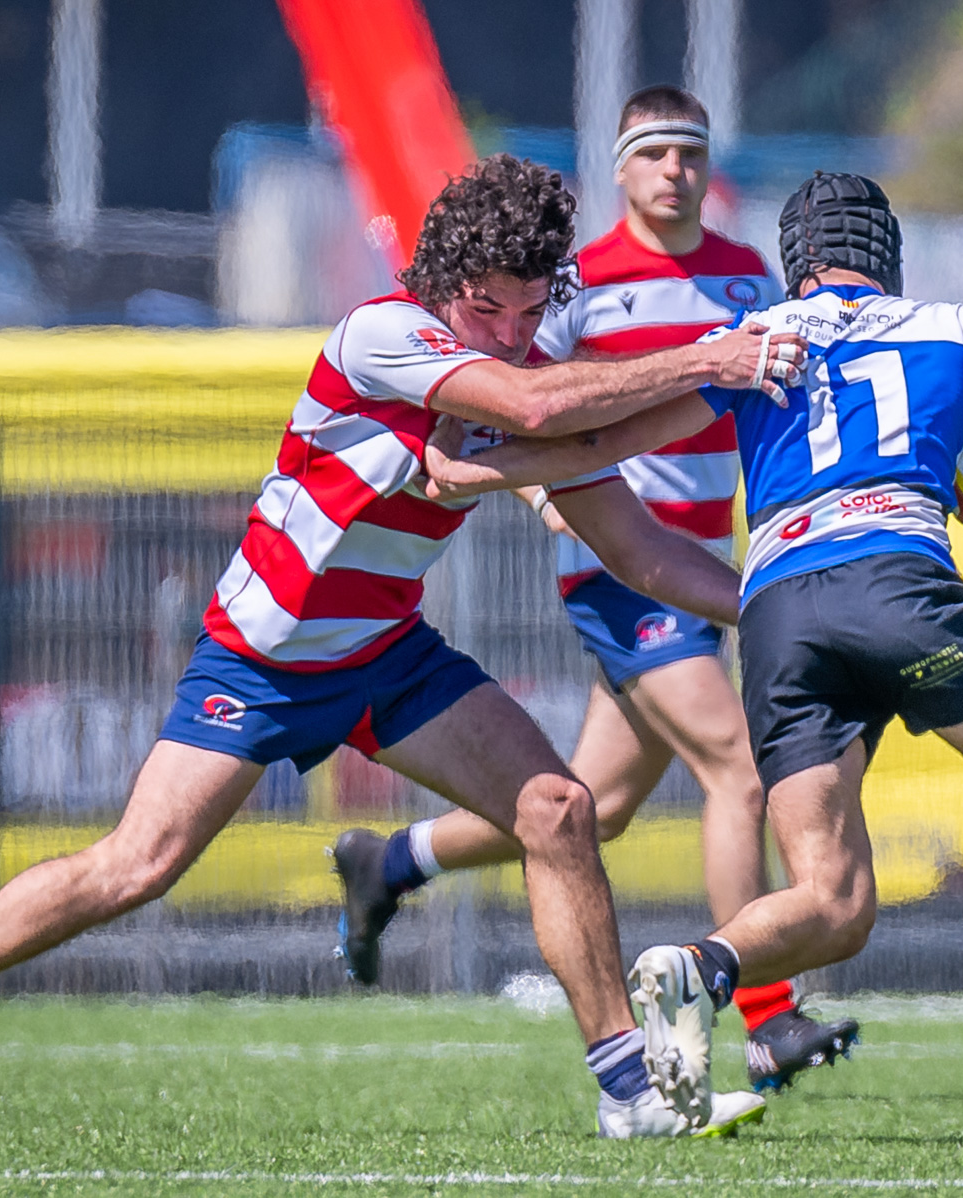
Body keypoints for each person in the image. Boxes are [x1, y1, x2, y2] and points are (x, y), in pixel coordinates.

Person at [0, 154, 809, 1139]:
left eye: (529, 311)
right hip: (262, 662)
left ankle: (627, 1090)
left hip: (385, 651)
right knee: (133, 866)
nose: (507, 333)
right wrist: (717, 360)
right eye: (487, 308)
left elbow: (642, 552)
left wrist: (774, 602)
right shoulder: (384, 333)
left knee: (559, 809)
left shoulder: (523, 371)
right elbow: (541, 414)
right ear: (444, 281)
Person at [419, 171, 963, 1127]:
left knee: (834, 898)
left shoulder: (755, 345)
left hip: (776, 615)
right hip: (897, 584)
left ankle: (697, 966)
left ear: (793, 258)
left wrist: (475, 462)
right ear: (888, 251)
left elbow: (609, 440)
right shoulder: (955, 327)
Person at [335, 85, 857, 1095]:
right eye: (654, 153)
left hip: (702, 556)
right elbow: (523, 409)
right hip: (623, 567)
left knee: (588, 808)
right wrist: (551, 506)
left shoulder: (749, 276)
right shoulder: (574, 287)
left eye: (690, 153)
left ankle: (392, 861)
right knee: (741, 773)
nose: (675, 170)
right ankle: (763, 1016)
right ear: (620, 170)